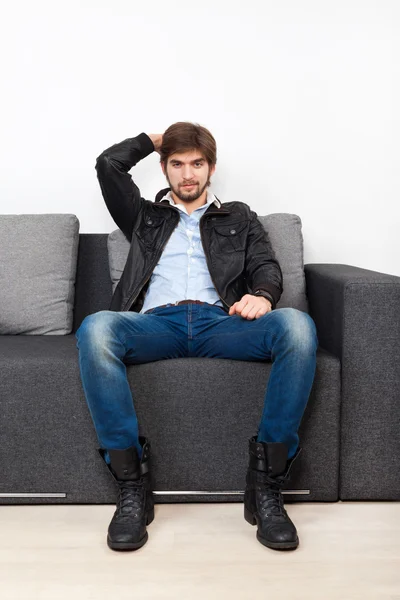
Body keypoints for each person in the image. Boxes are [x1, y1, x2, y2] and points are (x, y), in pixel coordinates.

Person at [75, 122, 318, 553]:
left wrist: (262, 296)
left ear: (211, 168)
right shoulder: (144, 216)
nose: (188, 174)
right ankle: (132, 488)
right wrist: (152, 142)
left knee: (297, 327)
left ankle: (266, 485)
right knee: (96, 328)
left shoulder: (239, 216)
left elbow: (266, 267)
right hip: (156, 324)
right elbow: (108, 165)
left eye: (197, 163)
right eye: (177, 163)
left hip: (220, 323)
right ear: (165, 168)